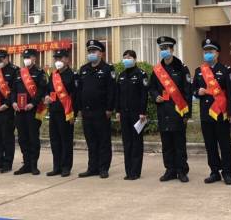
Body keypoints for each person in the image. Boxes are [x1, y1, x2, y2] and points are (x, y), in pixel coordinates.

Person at [192, 38, 231, 185]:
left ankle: (228, 173)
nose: (208, 54)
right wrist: (198, 92)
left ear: (217, 53)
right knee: (210, 145)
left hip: (221, 113)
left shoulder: (226, 70)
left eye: (210, 51)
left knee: (224, 145)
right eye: (205, 51)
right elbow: (193, 90)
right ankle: (214, 172)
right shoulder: (199, 71)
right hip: (206, 114)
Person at [149, 36, 193, 183]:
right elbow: (152, 88)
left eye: (166, 48)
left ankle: (181, 170)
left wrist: (187, 113)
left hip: (178, 112)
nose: (164, 51)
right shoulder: (157, 70)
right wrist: (155, 96)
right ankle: (170, 170)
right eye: (161, 49)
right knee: (166, 143)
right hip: (163, 111)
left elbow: (188, 90)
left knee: (179, 143)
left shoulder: (182, 67)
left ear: (172, 49)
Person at [77, 40, 115, 179]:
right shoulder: (84, 69)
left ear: (101, 53)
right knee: (91, 141)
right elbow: (80, 90)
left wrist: (110, 108)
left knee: (103, 141)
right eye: (90, 51)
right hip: (87, 112)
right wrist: (79, 109)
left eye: (94, 51)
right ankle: (92, 167)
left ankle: (103, 168)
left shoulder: (107, 69)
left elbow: (111, 90)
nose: (91, 54)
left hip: (102, 111)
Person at [12, 48, 47, 176]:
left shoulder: (39, 73)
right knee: (22, 138)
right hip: (19, 110)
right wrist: (13, 102)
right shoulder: (18, 73)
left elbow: (41, 91)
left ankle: (33, 165)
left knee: (33, 138)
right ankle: (26, 164)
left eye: (29, 57)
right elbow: (13, 91)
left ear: (34, 58)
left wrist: (32, 103)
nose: (26, 59)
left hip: (33, 110)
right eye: (25, 57)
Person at [115, 49, 149, 180]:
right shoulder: (121, 75)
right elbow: (118, 95)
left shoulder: (141, 74)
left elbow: (144, 95)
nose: (126, 59)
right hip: (124, 113)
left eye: (129, 57)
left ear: (134, 59)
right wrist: (117, 110)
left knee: (136, 143)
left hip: (137, 115)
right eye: (124, 57)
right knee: (127, 142)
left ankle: (135, 172)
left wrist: (143, 112)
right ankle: (128, 171)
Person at [45, 48, 77, 177]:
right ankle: (56, 166)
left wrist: (74, 113)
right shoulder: (53, 75)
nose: (58, 61)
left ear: (67, 59)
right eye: (56, 59)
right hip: (53, 111)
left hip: (66, 113)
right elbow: (48, 90)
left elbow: (75, 95)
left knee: (66, 141)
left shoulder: (72, 75)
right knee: (55, 140)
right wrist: (46, 97)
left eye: (60, 58)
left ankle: (66, 167)